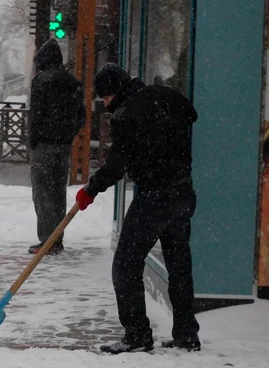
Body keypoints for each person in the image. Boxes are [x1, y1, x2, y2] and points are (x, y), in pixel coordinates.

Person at [76, 63, 200, 354]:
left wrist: (90, 190)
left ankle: (136, 335)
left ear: (113, 92)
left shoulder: (126, 115)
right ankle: (186, 334)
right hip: (182, 192)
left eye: (105, 99)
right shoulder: (167, 95)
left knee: (125, 265)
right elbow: (191, 114)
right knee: (179, 265)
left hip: (154, 197)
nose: (106, 105)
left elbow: (116, 166)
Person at [27, 39, 85, 255]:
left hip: (44, 145)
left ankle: (47, 240)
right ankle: (57, 238)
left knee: (42, 193)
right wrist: (69, 133)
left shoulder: (41, 82)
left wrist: (34, 140)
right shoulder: (73, 83)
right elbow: (82, 115)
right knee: (58, 192)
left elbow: (37, 115)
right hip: (64, 145)